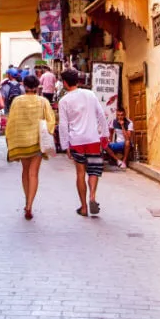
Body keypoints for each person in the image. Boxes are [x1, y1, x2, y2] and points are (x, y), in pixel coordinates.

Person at [57, 68, 110, 217]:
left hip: (76, 141)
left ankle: (84, 207)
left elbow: (63, 124)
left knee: (80, 173)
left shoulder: (64, 101)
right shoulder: (90, 94)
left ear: (65, 83)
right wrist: (105, 134)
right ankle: (92, 196)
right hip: (93, 139)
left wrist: (65, 145)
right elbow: (101, 115)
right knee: (93, 171)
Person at [5, 74, 55, 220]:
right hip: (37, 143)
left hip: (22, 143)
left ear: (24, 85)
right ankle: (29, 205)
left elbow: (12, 122)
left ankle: (27, 200)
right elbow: (51, 121)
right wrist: (46, 131)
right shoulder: (43, 101)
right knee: (34, 173)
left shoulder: (17, 101)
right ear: (37, 86)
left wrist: (10, 140)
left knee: (25, 171)